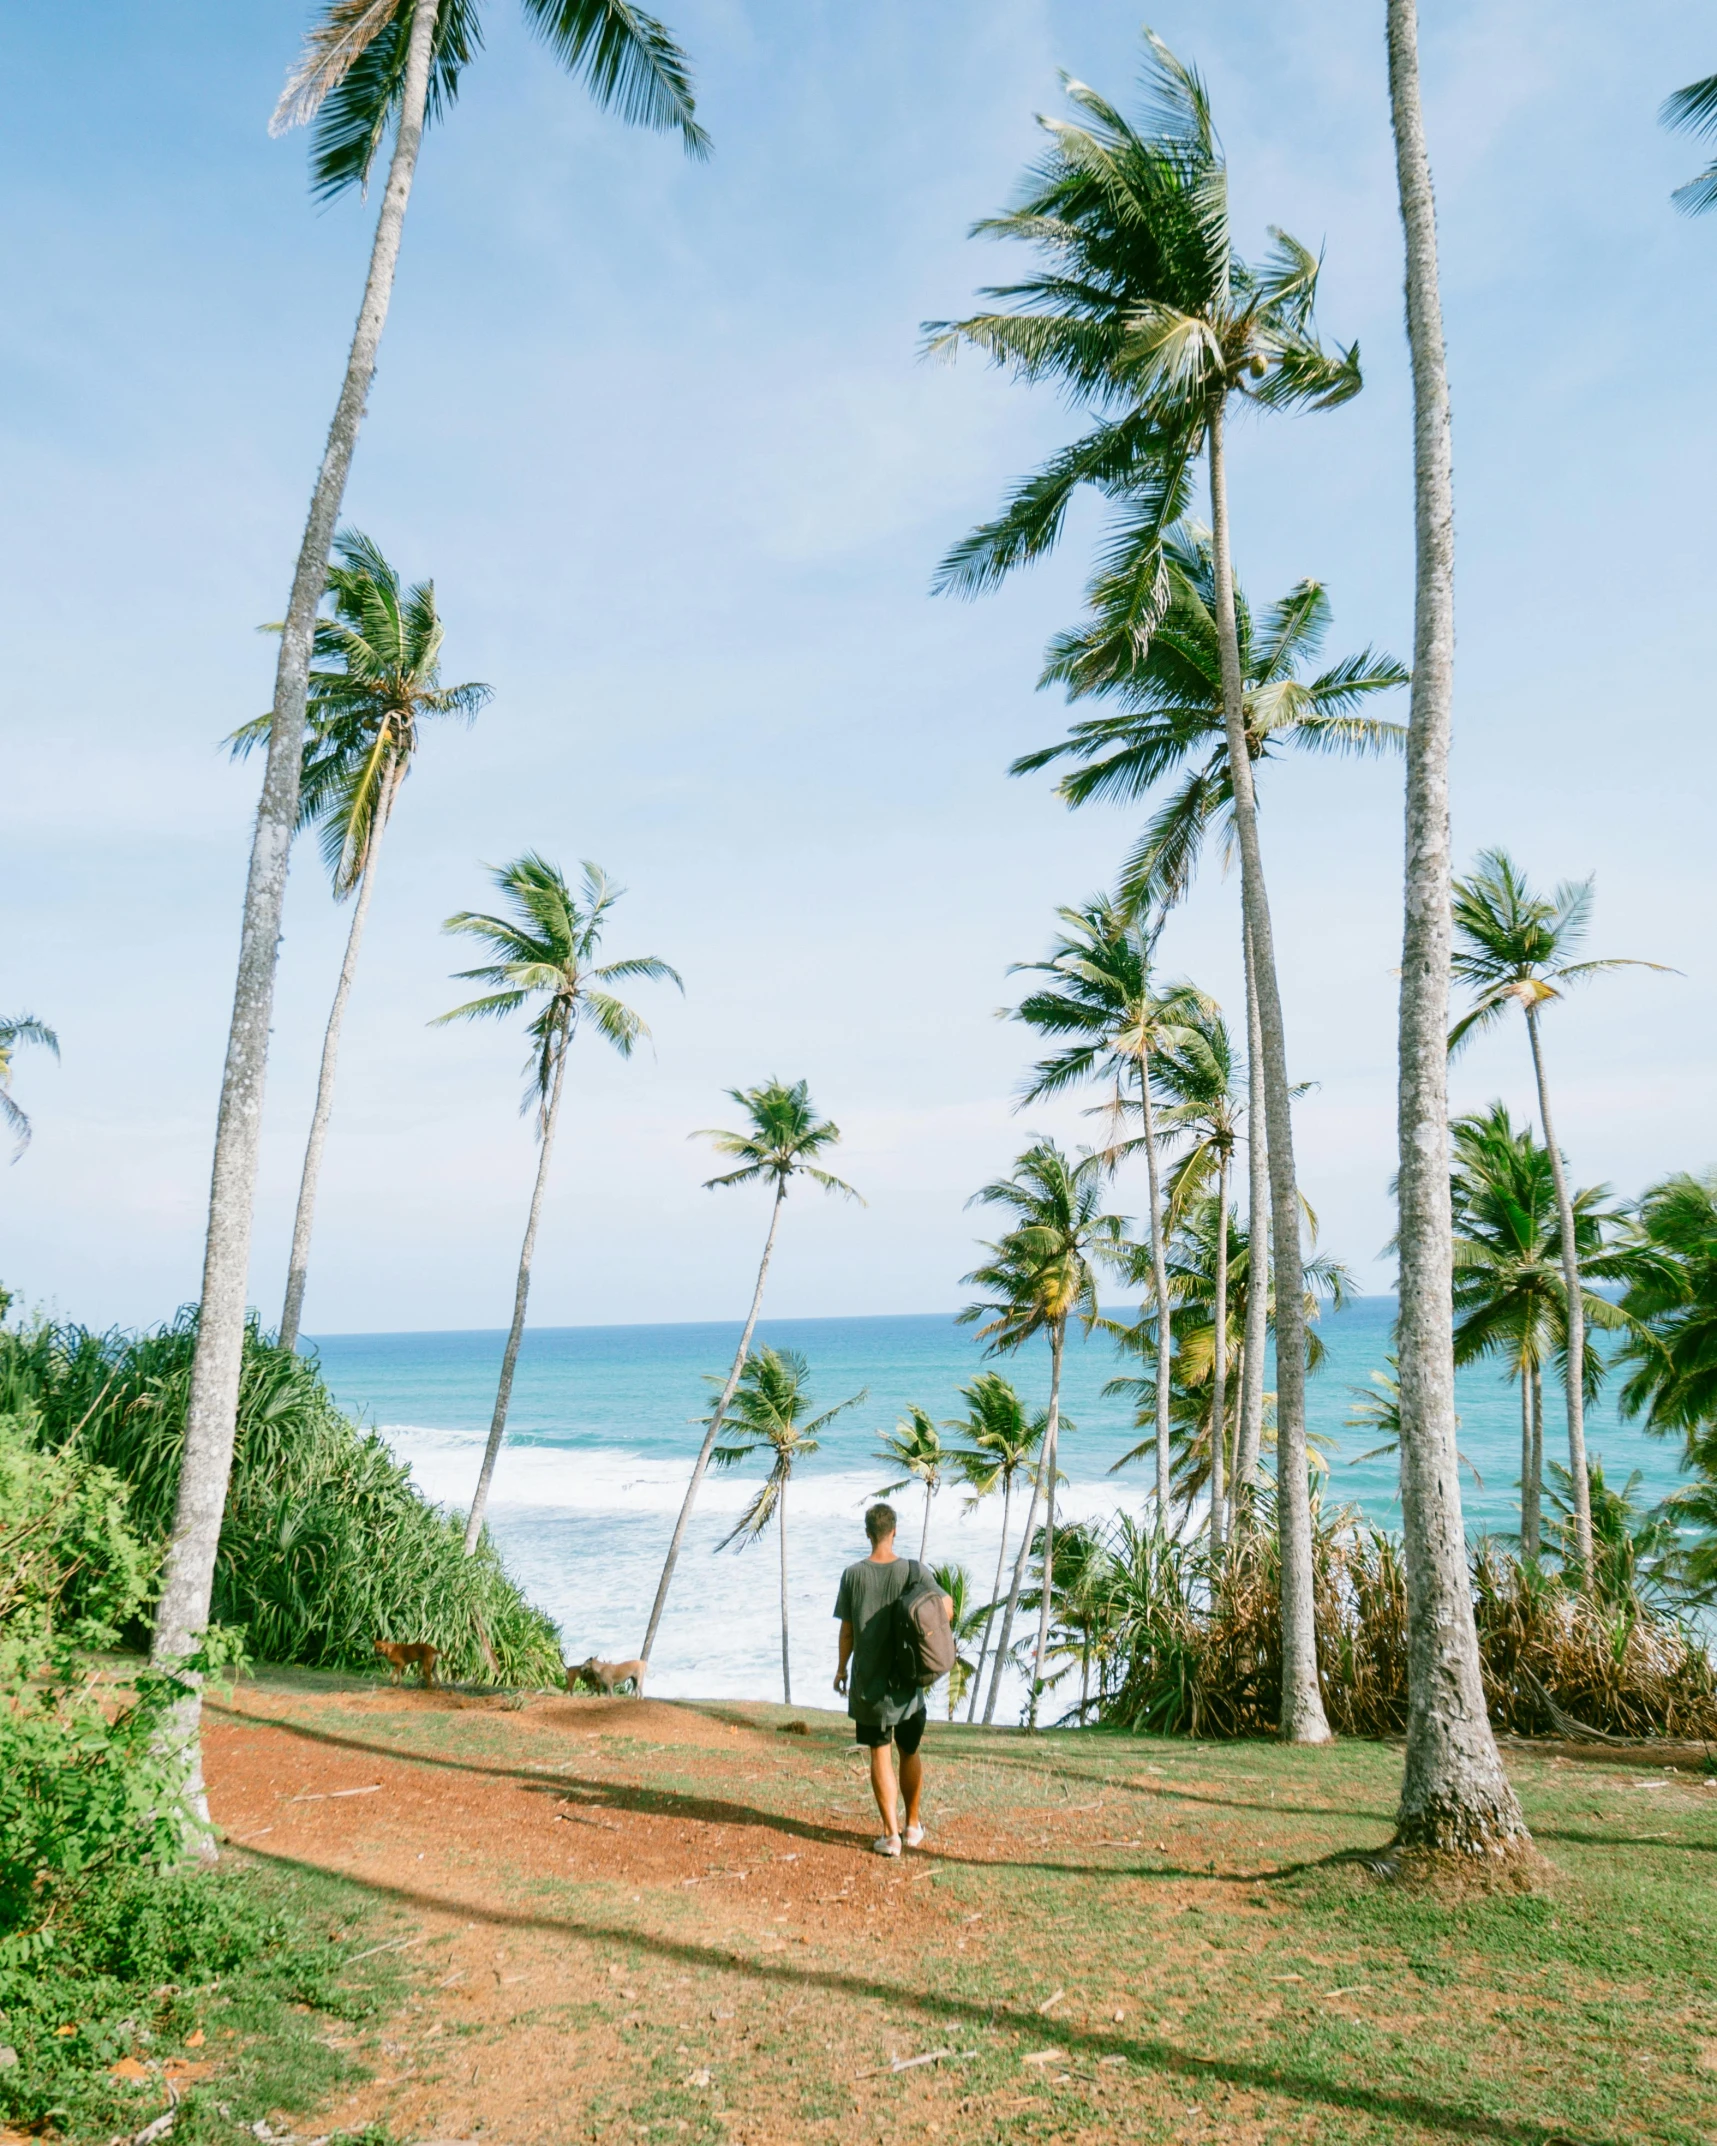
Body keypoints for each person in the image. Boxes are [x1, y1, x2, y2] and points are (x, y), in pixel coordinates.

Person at [833, 1502, 952, 1857]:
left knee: (879, 1753)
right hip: (908, 1679)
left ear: (868, 1534)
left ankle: (890, 1836)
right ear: (894, 1531)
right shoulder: (914, 1571)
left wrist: (841, 1669)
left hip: (870, 1682)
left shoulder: (853, 1575)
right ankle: (912, 1826)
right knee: (910, 1750)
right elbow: (946, 1609)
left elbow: (847, 1632)